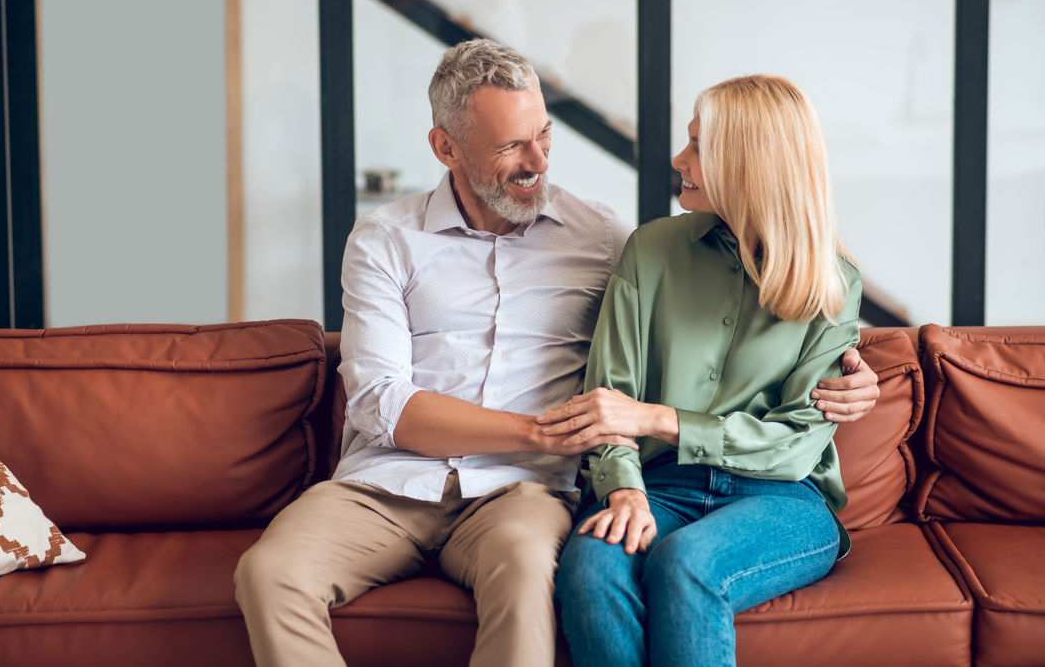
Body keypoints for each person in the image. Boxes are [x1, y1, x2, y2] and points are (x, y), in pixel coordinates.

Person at [234, 42, 878, 667]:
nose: (537, 160)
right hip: (393, 481)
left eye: (543, 135)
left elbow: (778, 426)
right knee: (271, 573)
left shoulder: (604, 239)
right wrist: (587, 458)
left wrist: (855, 375)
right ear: (445, 148)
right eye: (511, 145)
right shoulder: (388, 240)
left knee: (571, 577)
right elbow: (383, 402)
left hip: (541, 490)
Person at [545, 74, 863, 667]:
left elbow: (794, 448)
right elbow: (609, 399)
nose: (677, 158)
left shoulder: (834, 285)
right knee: (590, 570)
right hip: (660, 485)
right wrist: (623, 490)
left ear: (749, 165)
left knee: (687, 564)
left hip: (782, 500)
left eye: (698, 146)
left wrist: (664, 419)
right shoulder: (651, 250)